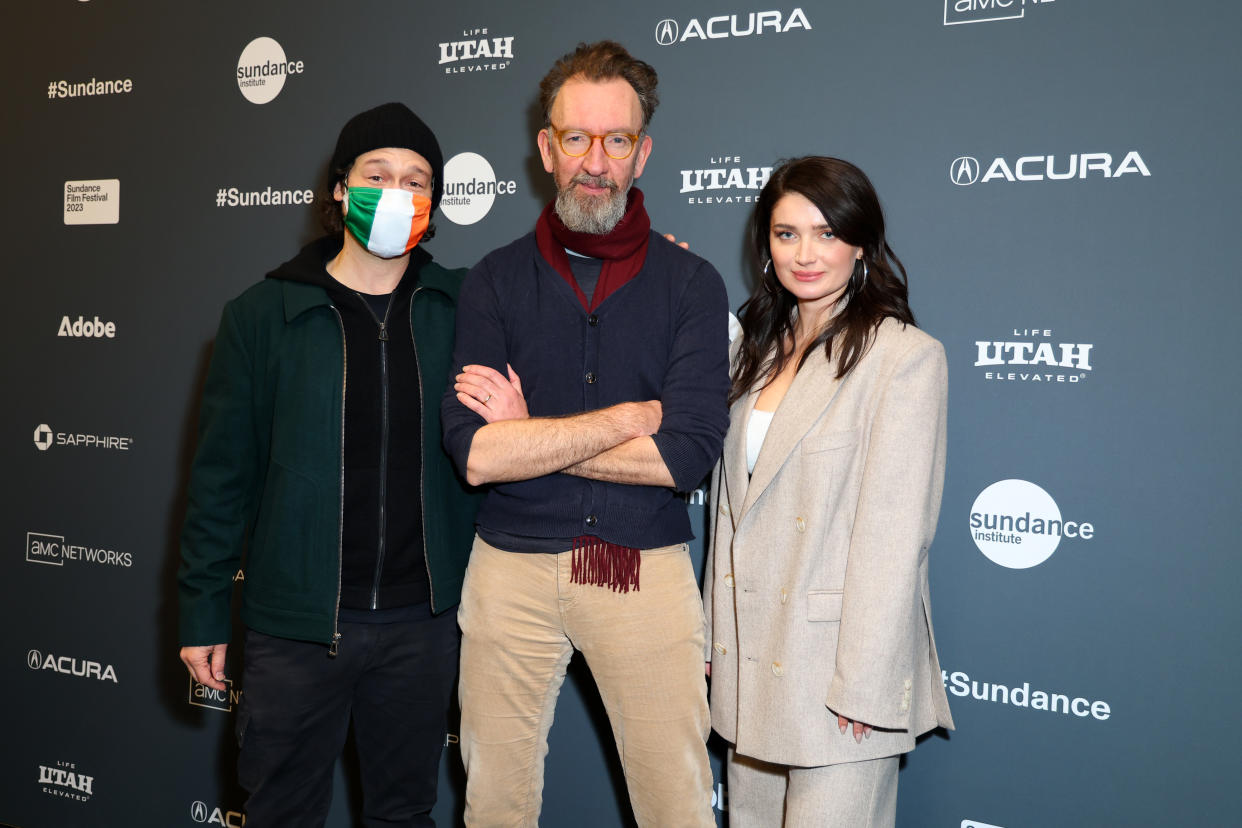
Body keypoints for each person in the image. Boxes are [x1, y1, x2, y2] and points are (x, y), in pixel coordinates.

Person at [440, 40, 730, 828]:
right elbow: (476, 454)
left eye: (616, 140)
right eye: (576, 138)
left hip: (641, 569)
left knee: (677, 804)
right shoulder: (494, 281)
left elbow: (686, 455)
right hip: (508, 572)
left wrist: (530, 434)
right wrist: (626, 421)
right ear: (545, 148)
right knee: (494, 804)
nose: (594, 161)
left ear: (643, 153)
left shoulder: (693, 285)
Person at [177, 102, 479, 827]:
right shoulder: (261, 315)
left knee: (405, 813)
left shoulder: (465, 307)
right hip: (297, 627)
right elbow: (221, 479)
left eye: (416, 180)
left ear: (434, 203)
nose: (397, 191)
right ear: (341, 189)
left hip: (425, 625)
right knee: (282, 813)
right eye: (378, 174)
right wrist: (202, 607)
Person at [703, 156, 955, 827]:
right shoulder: (750, 352)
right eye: (786, 235)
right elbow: (732, 514)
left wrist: (865, 687)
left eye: (825, 234)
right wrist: (710, 639)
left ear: (860, 244)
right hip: (750, 661)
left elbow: (894, 538)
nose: (805, 254)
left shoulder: (903, 358)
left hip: (834, 675)